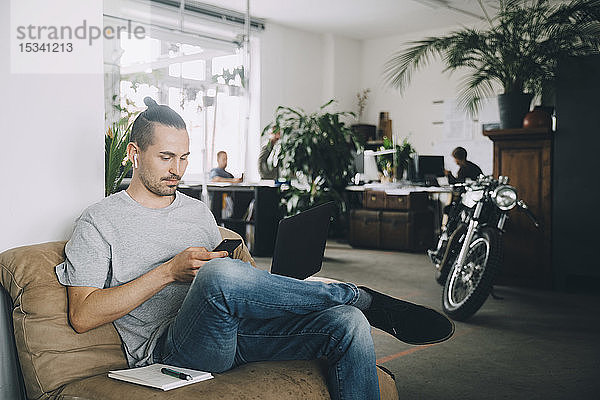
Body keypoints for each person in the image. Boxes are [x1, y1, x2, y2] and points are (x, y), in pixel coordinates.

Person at [55, 98, 453, 400]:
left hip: (237, 331)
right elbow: (83, 315)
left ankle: (354, 303)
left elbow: (227, 279)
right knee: (217, 275)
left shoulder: (196, 211)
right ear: (134, 154)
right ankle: (359, 293)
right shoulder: (99, 221)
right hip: (170, 351)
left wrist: (249, 270)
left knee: (347, 322)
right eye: (165, 157)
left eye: (184, 157)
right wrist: (167, 272)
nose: (176, 168)